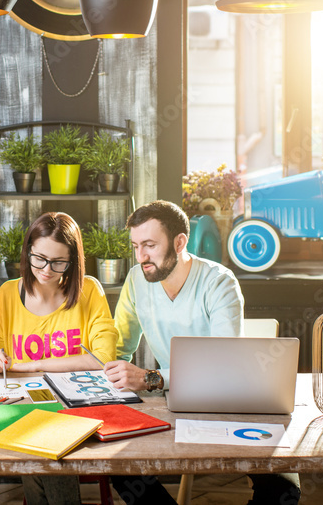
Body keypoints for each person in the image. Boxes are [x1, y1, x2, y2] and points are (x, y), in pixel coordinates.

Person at [104, 200, 300, 505]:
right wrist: (105, 372)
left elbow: (224, 365)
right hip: (171, 403)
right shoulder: (136, 280)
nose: (141, 256)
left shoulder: (219, 282)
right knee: (121, 468)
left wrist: (151, 378)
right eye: (135, 245)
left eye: (150, 245)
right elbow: (119, 348)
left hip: (231, 401)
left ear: (180, 242)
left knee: (284, 488)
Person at [0, 212, 117, 505]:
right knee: (37, 437)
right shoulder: (7, 293)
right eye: (39, 258)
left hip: (79, 406)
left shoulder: (89, 290)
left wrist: (32, 365)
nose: (46, 269)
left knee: (44, 443)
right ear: (28, 250)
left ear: (73, 261)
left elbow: (103, 359)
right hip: (26, 407)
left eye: (58, 262)